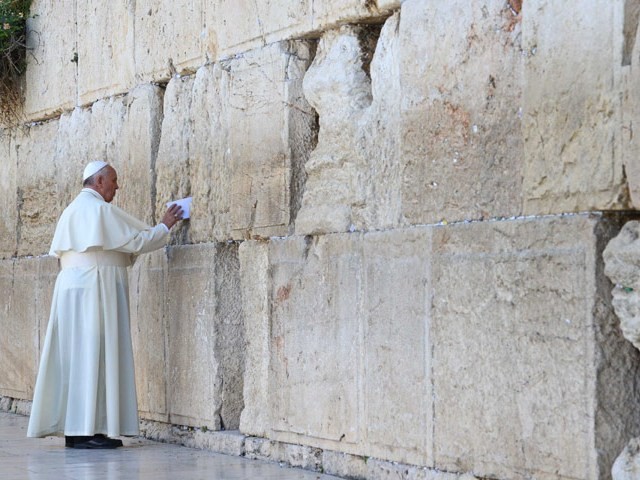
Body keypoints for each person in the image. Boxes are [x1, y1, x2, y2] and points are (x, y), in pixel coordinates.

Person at [27, 160, 184, 449]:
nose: (117, 186)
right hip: (93, 287)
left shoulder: (72, 209)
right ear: (98, 181)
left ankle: (84, 429)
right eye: (113, 180)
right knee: (93, 355)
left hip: (73, 287)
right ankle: (84, 431)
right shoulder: (97, 209)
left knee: (79, 357)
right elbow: (135, 242)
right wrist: (165, 226)